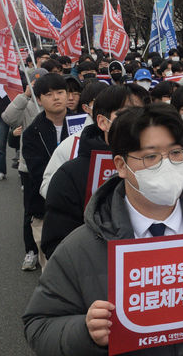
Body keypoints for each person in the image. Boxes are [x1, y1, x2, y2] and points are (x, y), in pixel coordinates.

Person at [23, 104, 183, 355]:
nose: (166, 165)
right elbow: (38, 326)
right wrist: (85, 331)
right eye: (151, 156)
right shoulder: (82, 247)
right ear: (120, 165)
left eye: (175, 153)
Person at [41, 85, 135, 259]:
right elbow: (57, 246)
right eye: (125, 114)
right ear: (102, 121)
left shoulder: (160, 165)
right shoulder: (70, 173)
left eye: (142, 114)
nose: (136, 122)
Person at [21, 73, 71, 270]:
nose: (56, 97)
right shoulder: (32, 133)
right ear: (39, 100)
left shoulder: (84, 125)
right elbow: (38, 172)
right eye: (49, 94)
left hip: (79, 210)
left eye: (60, 92)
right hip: (45, 209)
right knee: (51, 268)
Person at [2, 67, 49, 271]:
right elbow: (8, 118)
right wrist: (26, 95)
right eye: (35, 83)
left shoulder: (57, 104)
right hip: (29, 168)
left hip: (55, 168)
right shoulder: (25, 104)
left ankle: (51, 251)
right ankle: (30, 251)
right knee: (31, 211)